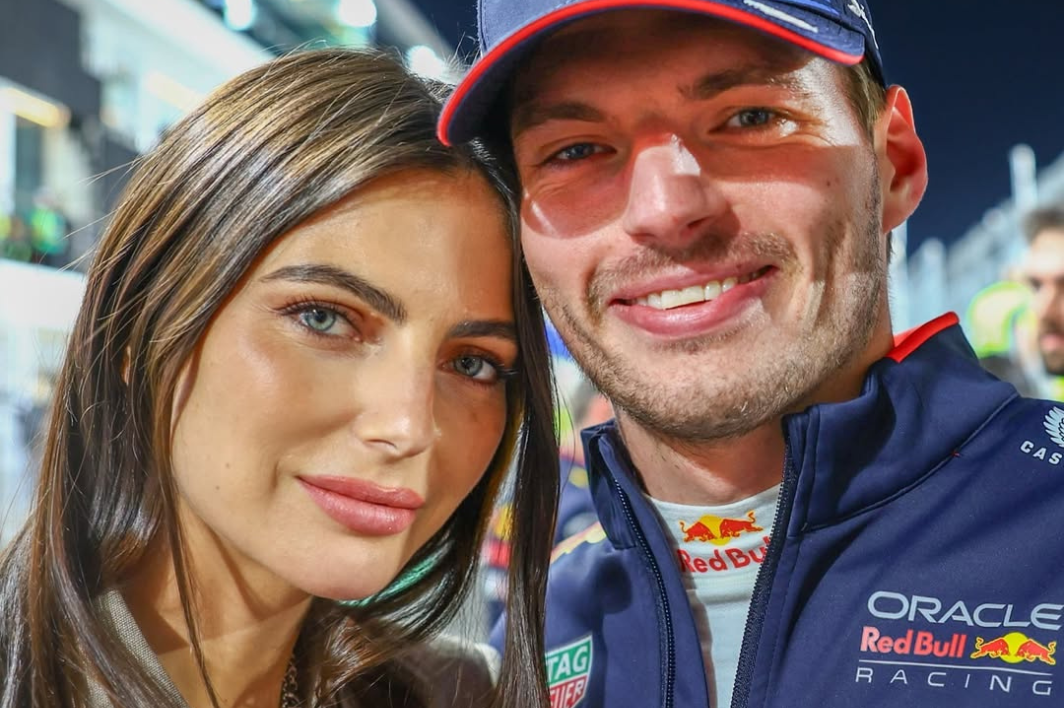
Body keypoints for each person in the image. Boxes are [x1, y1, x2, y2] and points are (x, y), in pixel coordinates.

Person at [439, 1, 1064, 706]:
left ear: (894, 163)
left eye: (751, 117)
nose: (665, 209)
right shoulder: (529, 646)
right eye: (574, 151)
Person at [0, 48, 559, 708]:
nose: (409, 427)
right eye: (324, 318)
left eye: (472, 363)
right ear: (138, 328)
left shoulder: (457, 693)